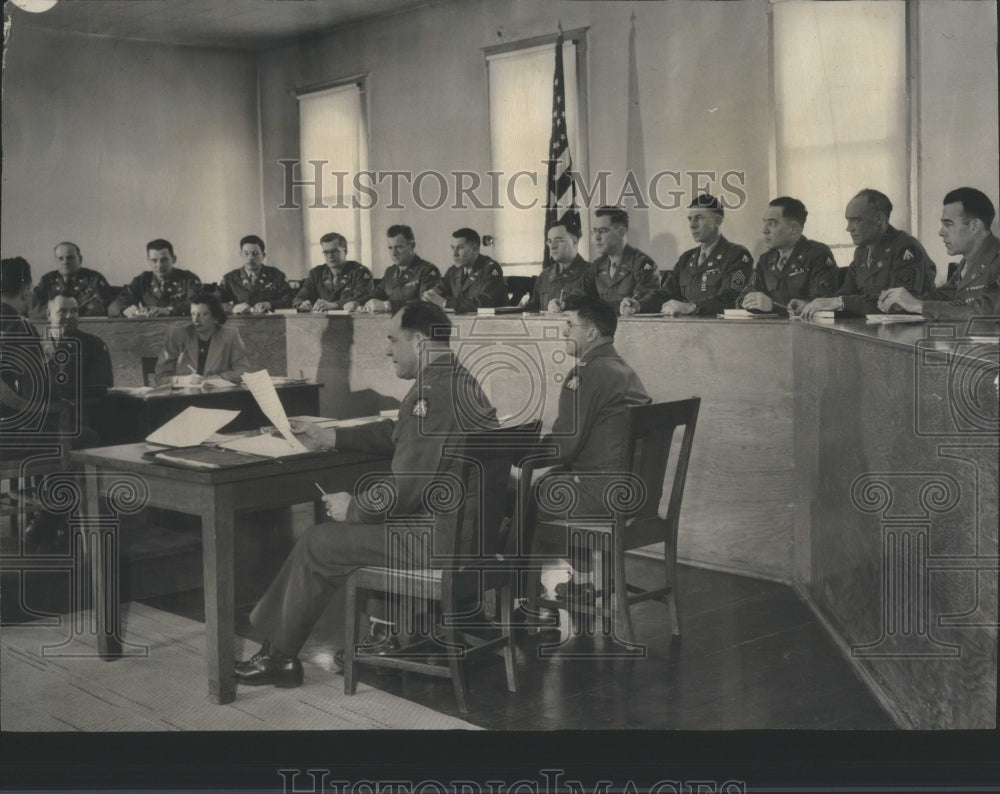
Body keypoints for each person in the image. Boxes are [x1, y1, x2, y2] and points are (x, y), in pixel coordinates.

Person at [234, 302, 498, 687]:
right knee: (357, 527)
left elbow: (406, 490)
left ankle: (279, 657)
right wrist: (332, 436)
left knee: (319, 541)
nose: (388, 350)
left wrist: (353, 507)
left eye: (393, 339)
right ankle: (383, 638)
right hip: (466, 532)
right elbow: (401, 436)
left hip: (436, 540)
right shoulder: (459, 380)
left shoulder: (431, 395)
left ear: (420, 341)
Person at [528, 294, 651, 607]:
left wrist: (518, 456)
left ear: (592, 333)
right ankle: (581, 583)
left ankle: (525, 597)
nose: (564, 331)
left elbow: (564, 447)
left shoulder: (585, 374)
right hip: (635, 492)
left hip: (601, 494)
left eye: (570, 325)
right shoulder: (624, 370)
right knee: (562, 479)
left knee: (524, 498)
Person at [800, 189, 936, 319]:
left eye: (856, 220)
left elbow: (896, 305)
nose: (849, 228)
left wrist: (841, 302)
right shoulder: (861, 252)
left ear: (879, 219)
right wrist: (810, 304)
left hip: (906, 334)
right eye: (848, 221)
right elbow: (845, 294)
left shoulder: (906, 249)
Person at [878, 187, 999, 321]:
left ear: (974, 226)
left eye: (948, 224)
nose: (941, 232)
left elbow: (986, 311)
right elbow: (944, 296)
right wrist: (902, 302)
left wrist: (919, 305)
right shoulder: (968, 261)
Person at [740, 197, 838, 314]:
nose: (764, 230)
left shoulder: (817, 254)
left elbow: (821, 303)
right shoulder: (765, 260)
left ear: (793, 228)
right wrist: (747, 301)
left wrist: (773, 305)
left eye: (772, 223)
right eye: (764, 223)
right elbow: (743, 297)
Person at [658, 194, 753, 316]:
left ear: (717, 221)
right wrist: (638, 305)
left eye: (699, 218)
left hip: (721, 330)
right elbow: (665, 293)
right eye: (690, 219)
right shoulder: (686, 259)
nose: (692, 225)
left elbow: (731, 299)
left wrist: (692, 307)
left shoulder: (737, 255)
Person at [153, 292, 249, 386]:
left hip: (217, 395)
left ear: (215, 316)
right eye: (193, 314)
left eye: (203, 314)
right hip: (184, 396)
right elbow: (160, 377)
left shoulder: (230, 335)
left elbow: (243, 371)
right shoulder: (177, 335)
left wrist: (219, 377)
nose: (196, 320)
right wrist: (183, 380)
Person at [586, 207, 659, 316]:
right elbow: (582, 295)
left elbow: (642, 302)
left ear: (620, 233)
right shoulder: (597, 265)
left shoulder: (642, 264)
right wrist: (563, 302)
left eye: (602, 231)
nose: (596, 237)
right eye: (594, 231)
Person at [109, 239, 202, 318]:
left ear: (174, 259)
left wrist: (170, 311)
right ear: (148, 261)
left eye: (164, 260)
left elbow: (200, 304)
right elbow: (113, 307)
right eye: (154, 261)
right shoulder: (142, 280)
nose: (159, 265)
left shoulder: (188, 279)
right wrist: (124, 309)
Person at [521, 218, 598, 312]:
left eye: (558, 240)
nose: (552, 246)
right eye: (550, 241)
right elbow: (534, 310)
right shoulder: (544, 276)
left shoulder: (591, 273)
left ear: (575, 241)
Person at [422, 228, 506, 313]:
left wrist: (445, 302)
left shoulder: (490, 268)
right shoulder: (453, 271)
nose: (454, 254)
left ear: (474, 250)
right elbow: (440, 289)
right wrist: (430, 295)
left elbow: (485, 302)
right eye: (453, 248)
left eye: (460, 248)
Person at [362, 225, 441, 313]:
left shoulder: (427, 270)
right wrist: (357, 302)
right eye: (390, 248)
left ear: (412, 245)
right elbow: (376, 294)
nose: (394, 253)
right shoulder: (390, 272)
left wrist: (388, 305)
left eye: (398, 247)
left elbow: (426, 304)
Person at [293, 232, 374, 312]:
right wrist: (302, 303)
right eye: (326, 252)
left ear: (345, 252)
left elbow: (363, 298)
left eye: (334, 251)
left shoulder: (360, 272)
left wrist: (335, 305)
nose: (330, 256)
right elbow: (299, 298)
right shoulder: (316, 273)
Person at [29, 242, 111, 319]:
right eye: (61, 258)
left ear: (80, 259)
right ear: (56, 261)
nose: (65, 262)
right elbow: (35, 311)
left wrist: (59, 311)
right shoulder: (47, 280)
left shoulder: (94, 279)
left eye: (70, 258)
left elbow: (102, 309)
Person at [218, 235, 293, 314]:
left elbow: (290, 299)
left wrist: (269, 304)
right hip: (241, 323)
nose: (250, 257)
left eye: (255, 253)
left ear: (263, 255)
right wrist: (233, 308)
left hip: (270, 322)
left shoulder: (276, 275)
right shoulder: (230, 278)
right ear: (240, 254)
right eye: (246, 253)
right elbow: (215, 302)